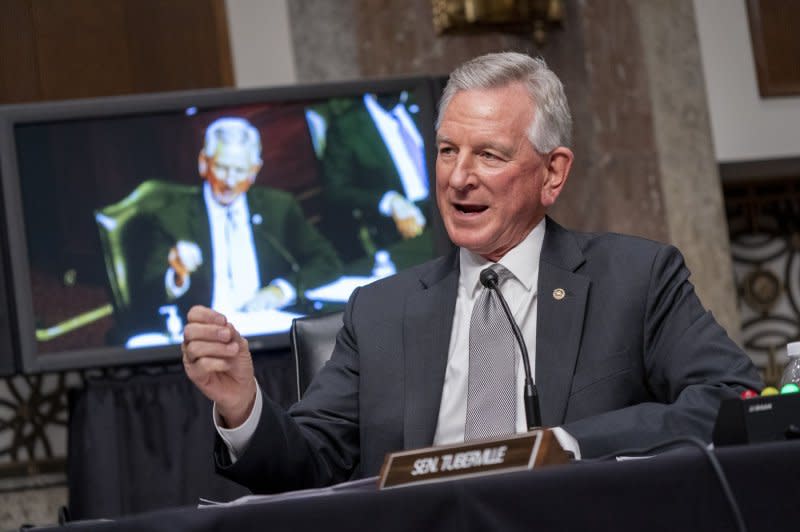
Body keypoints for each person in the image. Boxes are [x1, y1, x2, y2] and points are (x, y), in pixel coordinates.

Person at [182, 53, 762, 494]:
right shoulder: (380, 312)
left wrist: (570, 446)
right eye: (445, 151)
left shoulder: (634, 279)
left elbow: (731, 398)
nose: (458, 178)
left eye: (488, 154)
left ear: (552, 174)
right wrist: (243, 407)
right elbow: (306, 463)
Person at [120, 117, 342, 334]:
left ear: (254, 171)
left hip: (269, 329)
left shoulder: (278, 207)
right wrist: (177, 275)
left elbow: (327, 261)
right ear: (204, 163)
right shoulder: (171, 218)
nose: (230, 181)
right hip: (207, 338)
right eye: (222, 168)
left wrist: (280, 290)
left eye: (240, 171)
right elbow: (144, 299)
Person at [310, 92, 429, 261]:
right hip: (396, 225)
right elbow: (336, 191)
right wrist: (388, 201)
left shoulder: (422, 100)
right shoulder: (346, 127)